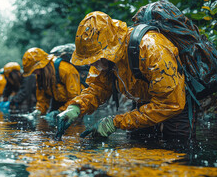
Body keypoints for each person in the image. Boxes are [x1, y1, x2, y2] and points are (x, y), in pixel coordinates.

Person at [57, 11, 196, 140]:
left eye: (94, 59)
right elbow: (97, 89)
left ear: (108, 51)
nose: (91, 65)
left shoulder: (151, 48)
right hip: (143, 99)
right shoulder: (105, 60)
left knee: (177, 145)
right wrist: (75, 108)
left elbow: (170, 103)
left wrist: (115, 123)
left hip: (175, 99)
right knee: (138, 141)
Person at [22, 47, 83, 120]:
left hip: (76, 105)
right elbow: (42, 99)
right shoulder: (40, 75)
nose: (34, 73)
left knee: (74, 127)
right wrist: (38, 111)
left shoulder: (65, 69)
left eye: (35, 70)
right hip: (58, 102)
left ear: (42, 65)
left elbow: (75, 98)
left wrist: (60, 111)